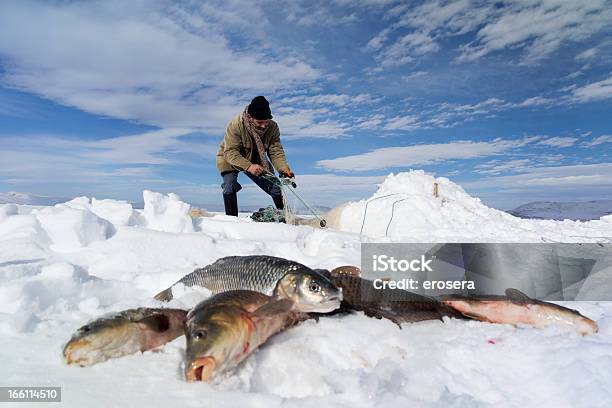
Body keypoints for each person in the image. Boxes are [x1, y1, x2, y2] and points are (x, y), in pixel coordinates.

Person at [216, 96, 294, 216]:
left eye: (266, 121)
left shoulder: (273, 128)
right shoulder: (236, 124)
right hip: (230, 159)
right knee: (229, 186)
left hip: (256, 161)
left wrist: (284, 169)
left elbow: (275, 151)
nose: (263, 125)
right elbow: (230, 152)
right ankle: (232, 221)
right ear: (250, 117)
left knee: (275, 187)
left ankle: (286, 218)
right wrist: (248, 166)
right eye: (259, 122)